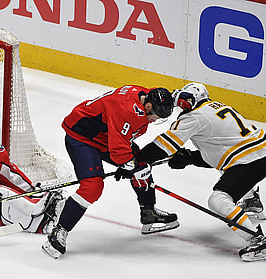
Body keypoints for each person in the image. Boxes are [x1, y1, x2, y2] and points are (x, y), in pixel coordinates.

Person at [133, 82, 266, 262]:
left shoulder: (194, 117)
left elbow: (164, 146)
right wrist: (190, 158)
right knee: (229, 166)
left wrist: (136, 162)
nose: (183, 104)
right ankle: (251, 200)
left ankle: (258, 242)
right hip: (263, 154)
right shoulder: (214, 107)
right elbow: (219, 153)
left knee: (218, 200)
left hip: (251, 161)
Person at [42, 85, 179, 259]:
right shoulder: (128, 112)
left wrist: (132, 166)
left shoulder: (145, 95)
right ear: (149, 107)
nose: (154, 120)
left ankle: (148, 212)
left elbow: (120, 140)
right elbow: (119, 151)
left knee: (143, 163)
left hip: (105, 134)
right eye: (156, 116)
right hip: (82, 136)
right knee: (93, 187)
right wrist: (130, 166)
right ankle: (59, 231)